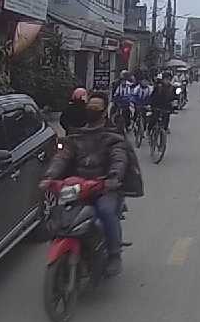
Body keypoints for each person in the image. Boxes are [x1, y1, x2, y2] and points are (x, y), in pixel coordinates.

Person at [40, 92, 138, 276]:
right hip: (80, 187)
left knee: (106, 211)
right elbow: (62, 156)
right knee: (61, 213)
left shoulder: (113, 136)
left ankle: (114, 254)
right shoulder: (77, 136)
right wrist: (50, 176)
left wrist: (113, 178)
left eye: (96, 108)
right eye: (90, 107)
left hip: (105, 188)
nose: (92, 110)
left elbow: (119, 158)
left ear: (104, 111)